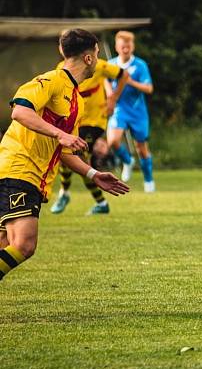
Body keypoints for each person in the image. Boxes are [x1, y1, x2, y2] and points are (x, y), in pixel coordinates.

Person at [0, 29, 130, 281]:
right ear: (89, 58)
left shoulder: (75, 100)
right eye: (96, 52)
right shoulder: (50, 81)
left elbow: (66, 152)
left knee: (6, 244)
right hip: (19, 168)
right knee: (24, 244)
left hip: (29, 175)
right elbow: (20, 112)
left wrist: (93, 174)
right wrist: (60, 134)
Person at [50, 56, 130, 215]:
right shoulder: (62, 66)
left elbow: (124, 75)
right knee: (70, 157)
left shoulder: (98, 65)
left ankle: (66, 194)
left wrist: (112, 98)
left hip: (95, 121)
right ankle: (98, 202)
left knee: (79, 156)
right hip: (75, 121)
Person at [106, 31, 155, 192]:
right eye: (122, 45)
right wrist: (110, 96)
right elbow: (104, 79)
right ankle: (127, 161)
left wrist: (130, 81)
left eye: (128, 45)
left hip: (137, 111)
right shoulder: (112, 64)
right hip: (120, 110)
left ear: (132, 46)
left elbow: (148, 88)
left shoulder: (140, 65)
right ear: (117, 47)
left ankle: (149, 182)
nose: (125, 48)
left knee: (141, 147)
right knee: (113, 141)